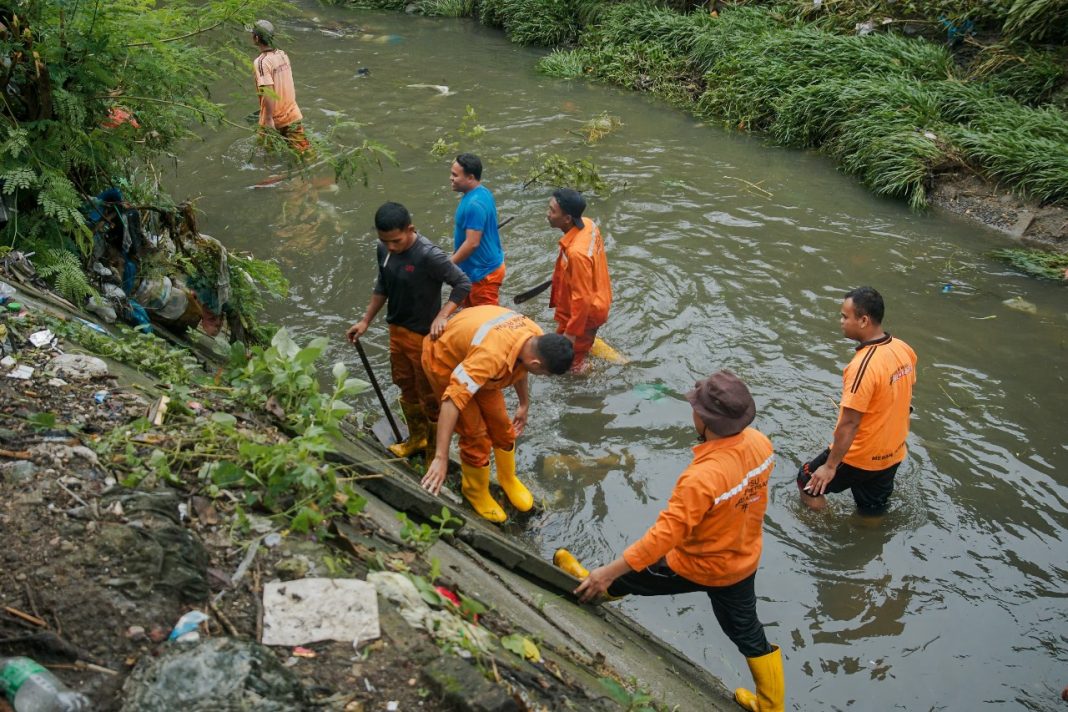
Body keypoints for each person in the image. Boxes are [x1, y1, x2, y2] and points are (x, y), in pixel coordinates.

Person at [554, 371, 783, 711]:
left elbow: (663, 538)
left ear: (702, 419)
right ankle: (771, 705)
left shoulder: (701, 477)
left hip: (696, 565)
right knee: (748, 634)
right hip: (742, 559)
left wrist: (608, 570)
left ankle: (593, 585)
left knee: (630, 574)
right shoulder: (761, 444)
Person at [420, 306, 573, 522]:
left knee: (502, 425)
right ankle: (475, 491)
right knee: (475, 434)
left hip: (476, 360)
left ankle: (507, 478)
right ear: (536, 364)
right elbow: (452, 399)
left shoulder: (535, 337)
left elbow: (521, 368)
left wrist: (524, 404)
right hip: (445, 359)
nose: (543, 376)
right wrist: (441, 456)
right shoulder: (492, 356)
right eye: (545, 374)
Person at [346, 202, 471, 459]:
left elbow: (462, 283)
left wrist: (442, 315)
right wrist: (365, 320)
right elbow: (383, 285)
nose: (391, 246)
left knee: (430, 397)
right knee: (405, 386)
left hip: (425, 336)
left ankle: (434, 456)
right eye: (385, 240)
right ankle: (417, 439)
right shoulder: (383, 249)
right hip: (397, 330)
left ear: (410, 229)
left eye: (396, 241)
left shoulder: (428, 255)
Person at [798, 286, 917, 515]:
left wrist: (830, 466)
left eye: (845, 316)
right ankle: (870, 543)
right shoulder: (903, 349)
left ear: (863, 320)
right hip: (892, 453)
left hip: (861, 455)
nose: (841, 321)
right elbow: (904, 394)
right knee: (872, 508)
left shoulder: (862, 367)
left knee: (807, 483)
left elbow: (850, 423)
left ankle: (826, 534)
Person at [546, 188, 612, 372]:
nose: (548, 214)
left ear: (567, 218)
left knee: (571, 363)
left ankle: (587, 377)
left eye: (552, 211)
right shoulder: (588, 225)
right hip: (598, 298)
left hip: (586, 312)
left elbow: (582, 300)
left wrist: (571, 335)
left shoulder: (577, 254)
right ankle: (584, 346)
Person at [449, 153, 505, 306]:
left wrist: (448, 265)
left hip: (483, 274)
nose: (451, 178)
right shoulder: (482, 192)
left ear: (470, 177)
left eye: (455, 175)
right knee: (468, 316)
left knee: (485, 322)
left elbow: (472, 243)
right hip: (472, 271)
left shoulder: (475, 204)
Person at [250, 19, 310, 154]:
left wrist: (268, 119)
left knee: (266, 155)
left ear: (256, 38)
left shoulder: (261, 62)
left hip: (273, 119)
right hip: (292, 114)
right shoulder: (283, 55)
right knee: (305, 154)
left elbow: (268, 91)